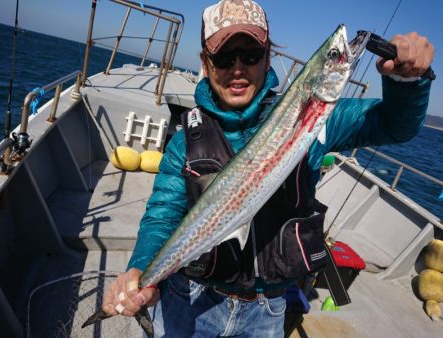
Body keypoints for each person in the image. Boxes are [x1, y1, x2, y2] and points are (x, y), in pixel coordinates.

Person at [103, 1, 434, 337]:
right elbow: (163, 215)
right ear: (206, 62)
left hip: (266, 312)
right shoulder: (184, 141)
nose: (237, 68)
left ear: (267, 56)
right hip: (190, 298)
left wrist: (407, 84)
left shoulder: (318, 116)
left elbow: (395, 125)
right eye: (223, 57)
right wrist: (140, 269)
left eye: (249, 54)